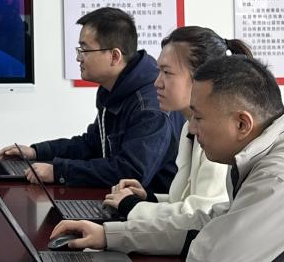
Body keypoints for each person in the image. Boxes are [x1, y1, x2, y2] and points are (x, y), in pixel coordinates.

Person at [50, 56, 284, 262]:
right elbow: (212, 220)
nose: (191, 128)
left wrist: (209, 235)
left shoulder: (283, 178)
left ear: (242, 124)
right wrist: (111, 235)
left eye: (198, 118)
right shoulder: (266, 154)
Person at [0, 7, 182, 192]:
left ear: (114, 56)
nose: (79, 58)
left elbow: (130, 172)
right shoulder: (113, 89)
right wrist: (36, 152)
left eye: (85, 50)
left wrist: (59, 171)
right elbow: (92, 144)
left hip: (148, 205)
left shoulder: (150, 107)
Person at [101, 27, 246, 235]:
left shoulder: (218, 135)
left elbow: (200, 213)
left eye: (167, 73)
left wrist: (132, 206)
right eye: (159, 71)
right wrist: (148, 199)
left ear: (201, 77)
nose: (157, 83)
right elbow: (183, 200)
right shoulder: (189, 125)